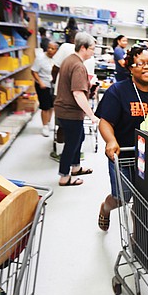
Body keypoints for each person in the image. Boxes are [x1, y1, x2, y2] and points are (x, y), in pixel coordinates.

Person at [95, 47, 148, 231]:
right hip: (124, 155)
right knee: (121, 198)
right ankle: (105, 208)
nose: (147, 68)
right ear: (130, 68)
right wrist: (111, 140)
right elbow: (105, 121)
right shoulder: (118, 91)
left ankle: (137, 241)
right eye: (140, 64)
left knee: (144, 202)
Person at [54, 32, 98, 186]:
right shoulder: (78, 65)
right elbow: (78, 94)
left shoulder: (69, 59)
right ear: (84, 48)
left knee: (79, 138)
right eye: (92, 48)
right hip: (70, 111)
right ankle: (64, 177)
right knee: (72, 143)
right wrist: (92, 115)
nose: (94, 52)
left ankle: (76, 167)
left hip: (65, 109)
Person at [31, 41, 59, 137]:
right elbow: (34, 71)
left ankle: (49, 122)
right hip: (43, 84)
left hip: (53, 84)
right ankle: (44, 126)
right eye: (49, 48)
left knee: (51, 106)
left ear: (57, 50)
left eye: (53, 49)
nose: (50, 50)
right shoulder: (40, 58)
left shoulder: (57, 59)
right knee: (45, 106)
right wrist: (40, 82)